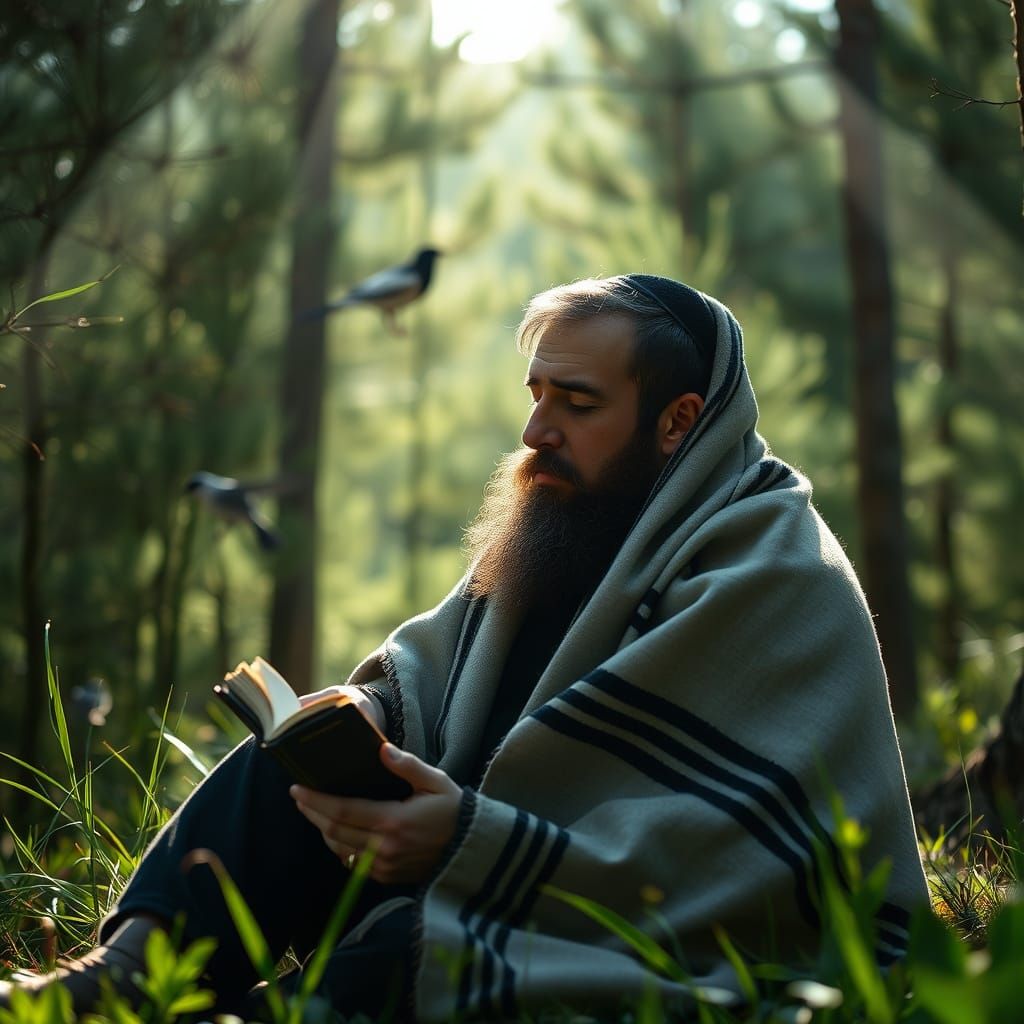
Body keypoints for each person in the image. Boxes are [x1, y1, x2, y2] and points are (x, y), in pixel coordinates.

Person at [1, 274, 928, 1020]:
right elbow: (432, 670)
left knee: (413, 960)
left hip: (636, 935)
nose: (535, 432)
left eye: (576, 400)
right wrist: (371, 714)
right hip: (466, 871)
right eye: (535, 396)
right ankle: (125, 975)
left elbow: (735, 864)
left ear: (679, 421)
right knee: (277, 771)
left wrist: (470, 845)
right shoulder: (574, 514)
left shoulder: (777, 577)